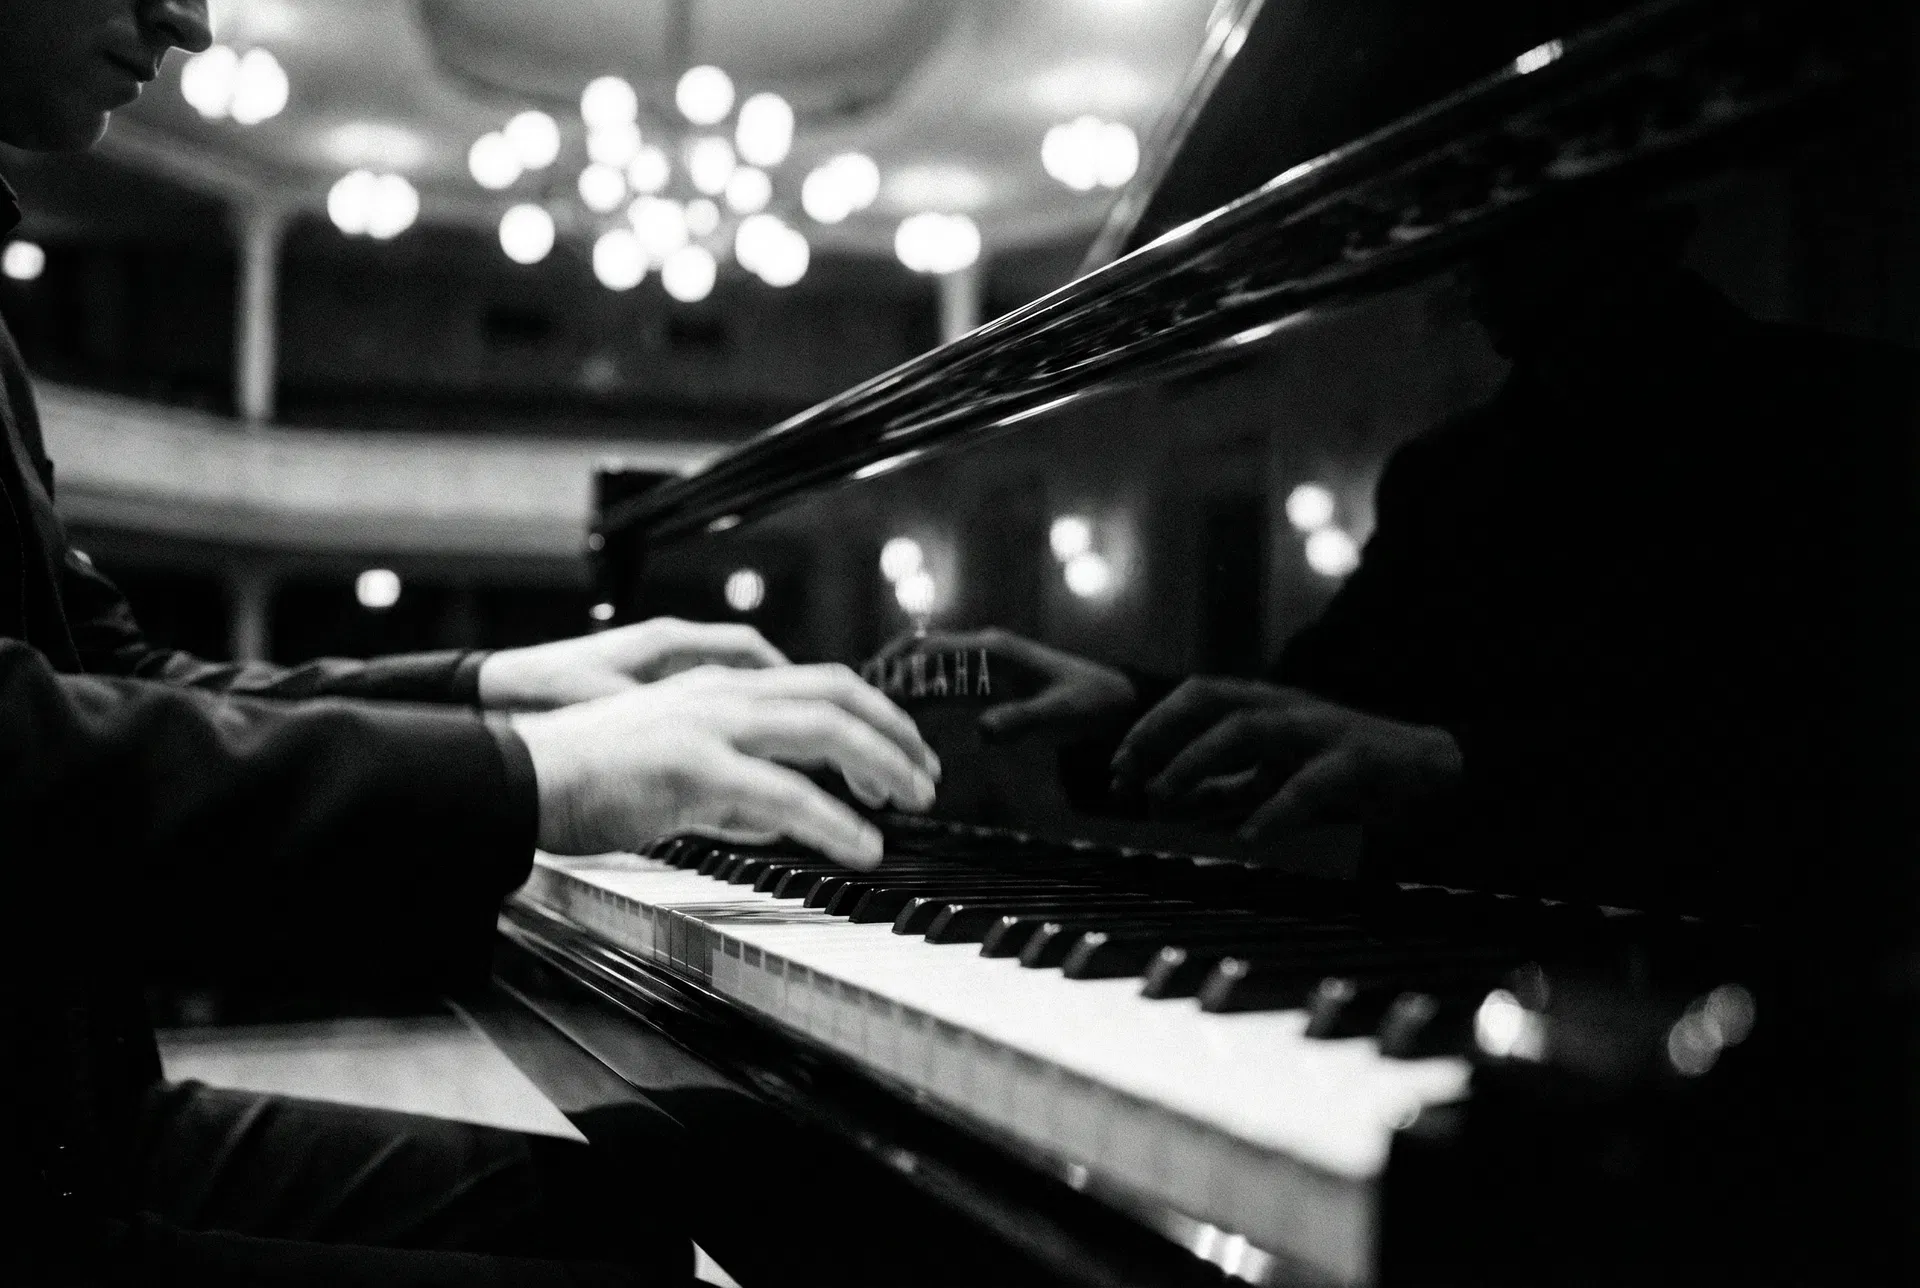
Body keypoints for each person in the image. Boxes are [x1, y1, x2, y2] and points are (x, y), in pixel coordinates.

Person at [0, 3, 940, 1284]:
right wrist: (533, 775)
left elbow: (125, 686)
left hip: (72, 1124)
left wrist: (502, 688)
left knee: (635, 1213)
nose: (190, 20)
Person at [885, 207, 1916, 919]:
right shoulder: (1447, 471)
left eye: (1501, 219)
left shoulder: (1845, 415)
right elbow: (1317, 710)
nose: (1456, 264)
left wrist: (1462, 765)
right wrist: (1116, 699)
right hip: (1421, 980)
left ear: (1643, 204)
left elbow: (1836, 767)